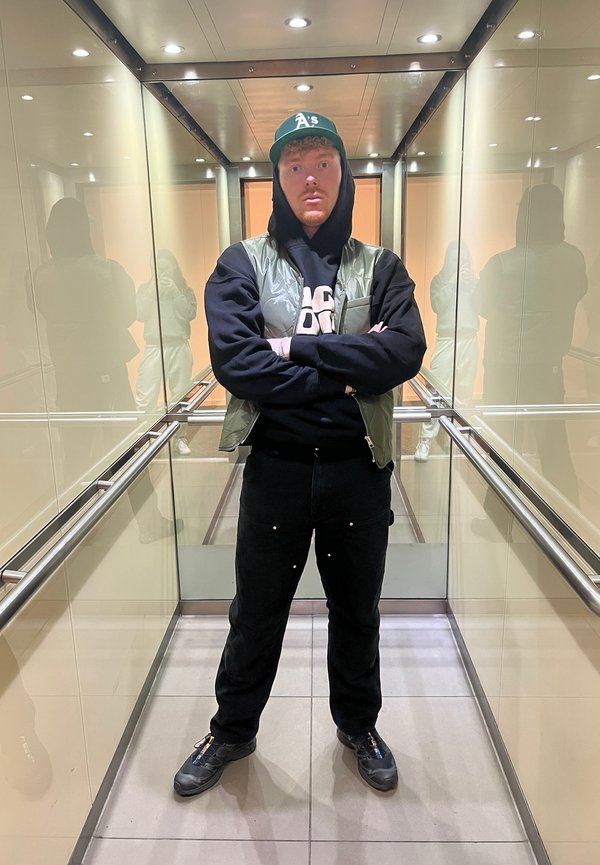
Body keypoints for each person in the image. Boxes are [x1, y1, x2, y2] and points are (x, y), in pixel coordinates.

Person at [173, 112, 426, 797]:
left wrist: (292, 348)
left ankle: (359, 725)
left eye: (322, 163)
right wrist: (352, 366)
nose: (309, 179)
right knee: (256, 611)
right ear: (276, 180)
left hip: (357, 468)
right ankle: (232, 728)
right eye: (293, 166)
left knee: (357, 611)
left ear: (343, 172)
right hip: (277, 468)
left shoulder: (380, 266)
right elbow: (239, 365)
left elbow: (404, 351)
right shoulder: (241, 264)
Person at [474, 183, 587, 536]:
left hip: (504, 366)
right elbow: (577, 292)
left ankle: (499, 521)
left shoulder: (502, 264)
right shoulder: (572, 258)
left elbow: (480, 306)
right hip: (548, 366)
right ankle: (569, 524)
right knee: (554, 447)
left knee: (502, 448)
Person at [414, 241, 479, 462]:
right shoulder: (440, 281)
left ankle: (459, 440)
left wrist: (473, 289)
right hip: (447, 339)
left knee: (464, 392)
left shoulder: (473, 282)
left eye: (464, 258)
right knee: (437, 392)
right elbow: (437, 306)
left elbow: (482, 308)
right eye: (455, 258)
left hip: (470, 339)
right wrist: (453, 283)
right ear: (447, 259)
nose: (460, 262)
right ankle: (425, 439)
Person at [136, 249, 197, 456]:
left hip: (179, 345)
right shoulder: (146, 289)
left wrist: (176, 294)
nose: (162, 272)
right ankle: (143, 441)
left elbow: (190, 314)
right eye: (158, 268)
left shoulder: (183, 290)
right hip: (153, 346)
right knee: (145, 397)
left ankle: (180, 439)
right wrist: (151, 292)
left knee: (179, 396)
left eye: (166, 267)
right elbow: (139, 314)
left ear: (174, 268)